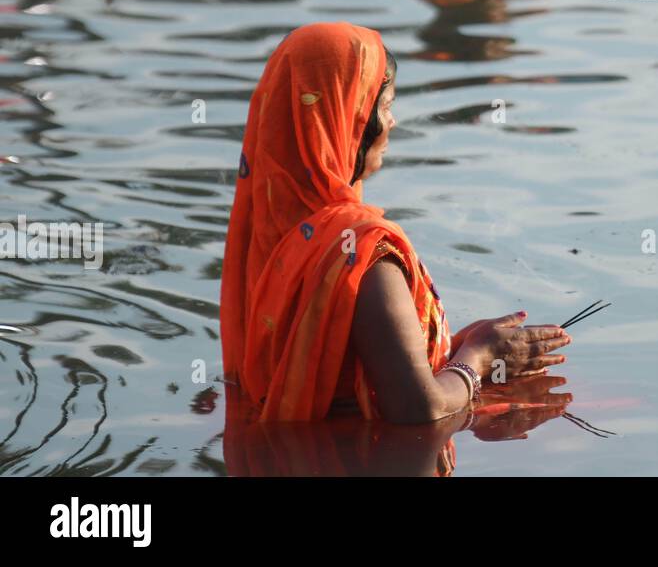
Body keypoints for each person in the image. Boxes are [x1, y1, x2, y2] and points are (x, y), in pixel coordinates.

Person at [219, 22, 571, 426]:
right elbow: (421, 410)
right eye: (383, 107)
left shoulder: (268, 237)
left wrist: (451, 349)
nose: (392, 123)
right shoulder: (364, 255)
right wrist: (480, 358)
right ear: (347, 121)